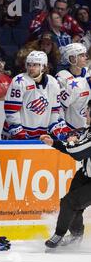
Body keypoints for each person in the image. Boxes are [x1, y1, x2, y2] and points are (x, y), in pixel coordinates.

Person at [40, 100, 91, 249]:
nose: (86, 112)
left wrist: (71, 141)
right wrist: (54, 143)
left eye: (88, 109)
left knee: (69, 202)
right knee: (74, 206)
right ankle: (76, 237)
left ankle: (59, 235)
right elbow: (75, 148)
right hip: (84, 175)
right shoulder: (88, 130)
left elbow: (77, 153)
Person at [2, 50, 68, 140]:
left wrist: (55, 128)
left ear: (44, 67)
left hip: (41, 135)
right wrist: (18, 130)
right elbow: (11, 110)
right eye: (29, 65)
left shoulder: (53, 83)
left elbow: (55, 111)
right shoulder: (20, 81)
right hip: (18, 134)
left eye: (35, 65)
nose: (31, 68)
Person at [56, 42, 91, 131]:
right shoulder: (62, 78)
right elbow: (59, 107)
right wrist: (62, 128)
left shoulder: (89, 73)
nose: (85, 57)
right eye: (81, 55)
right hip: (71, 127)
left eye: (85, 55)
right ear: (72, 58)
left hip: (87, 125)